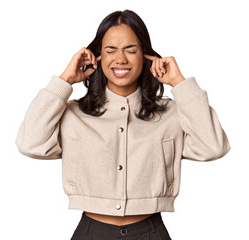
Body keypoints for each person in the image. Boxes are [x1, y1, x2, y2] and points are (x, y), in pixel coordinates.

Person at [15, 9, 231, 240]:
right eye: (110, 50)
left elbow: (213, 147)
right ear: (98, 57)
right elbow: (30, 143)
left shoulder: (171, 113)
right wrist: (65, 80)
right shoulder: (73, 113)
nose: (121, 59)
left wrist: (179, 83)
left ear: (145, 56)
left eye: (131, 50)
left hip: (150, 232)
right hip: (92, 232)